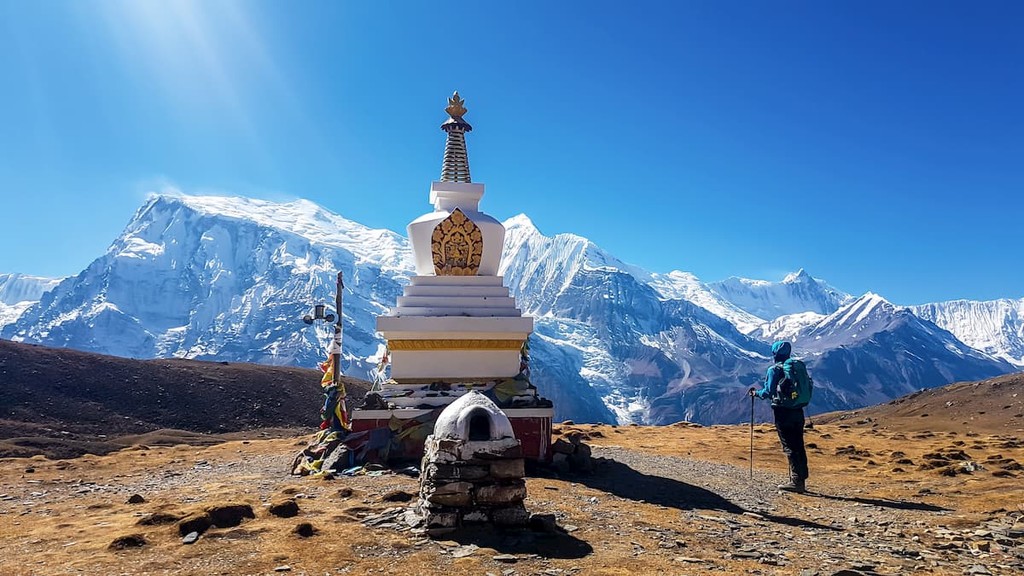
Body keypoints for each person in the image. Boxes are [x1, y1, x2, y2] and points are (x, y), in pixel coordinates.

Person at [749, 341, 808, 493]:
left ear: (774, 354)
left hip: (783, 412)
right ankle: (801, 478)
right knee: (798, 444)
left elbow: (768, 392)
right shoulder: (795, 367)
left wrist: (756, 393)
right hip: (798, 411)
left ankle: (797, 482)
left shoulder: (774, 370)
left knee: (789, 446)